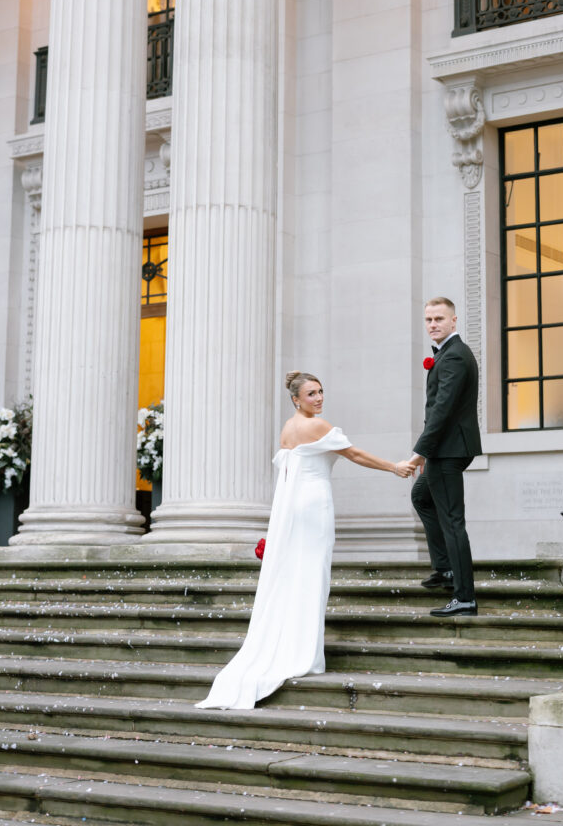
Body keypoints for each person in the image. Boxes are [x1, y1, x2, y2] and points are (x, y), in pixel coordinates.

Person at [195, 371, 414, 710]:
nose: (319, 398)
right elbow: (355, 455)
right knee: (313, 575)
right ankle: (306, 654)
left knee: (298, 574)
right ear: (296, 399)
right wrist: (394, 467)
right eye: (311, 394)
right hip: (314, 506)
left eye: (321, 392)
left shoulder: (287, 428)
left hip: (295, 509)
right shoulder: (318, 426)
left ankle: (299, 647)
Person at [407, 297, 481, 616]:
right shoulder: (449, 354)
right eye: (428, 320)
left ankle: (465, 596)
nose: (433, 324)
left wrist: (419, 452)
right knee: (422, 496)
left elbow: (442, 409)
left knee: (452, 521)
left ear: (454, 321)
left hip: (448, 449)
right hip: (445, 447)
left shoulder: (454, 357)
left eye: (439, 318)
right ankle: (446, 569)